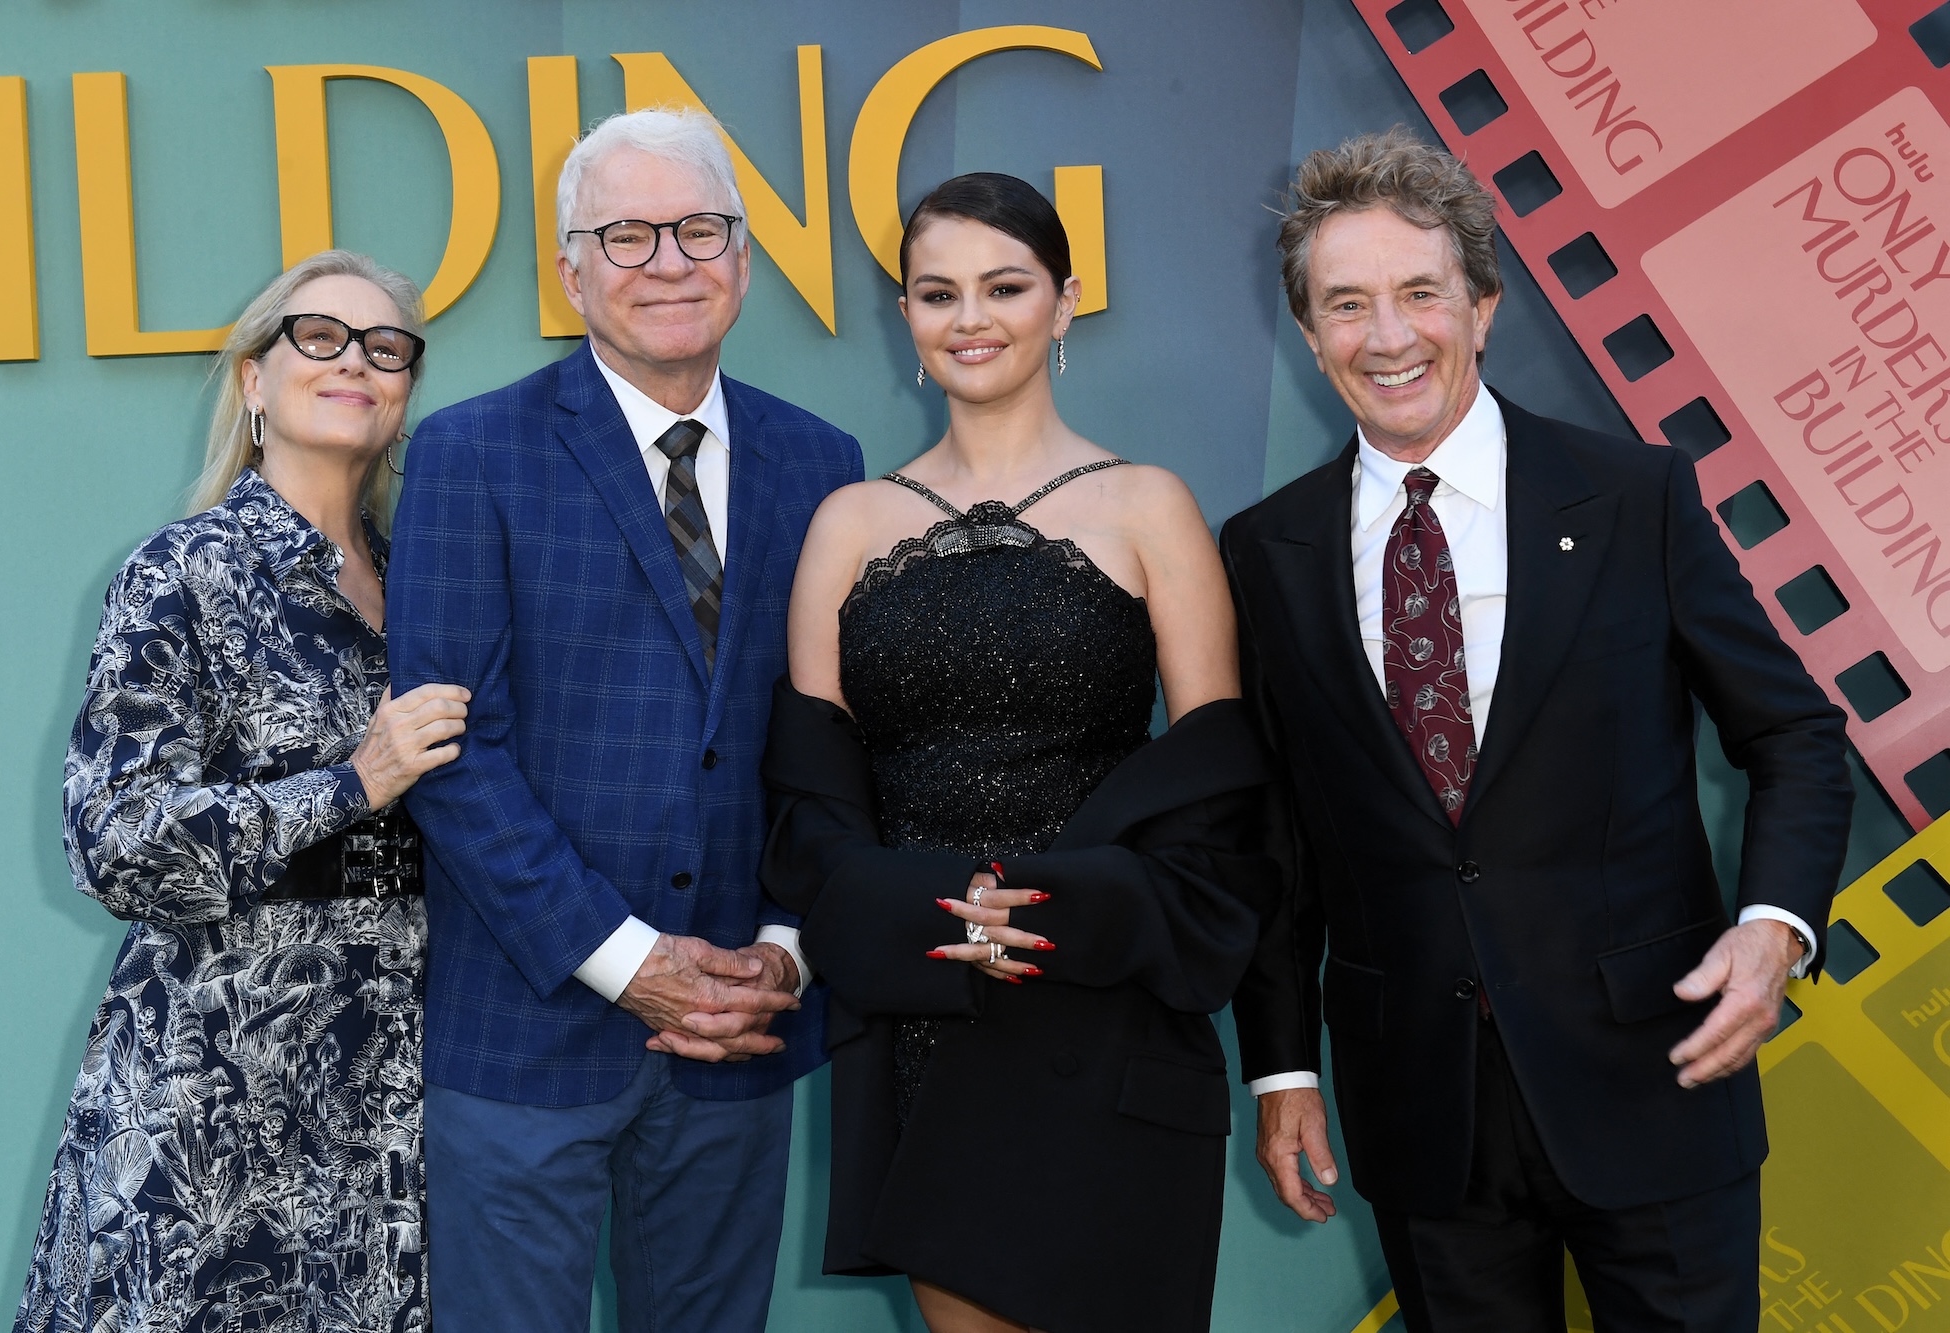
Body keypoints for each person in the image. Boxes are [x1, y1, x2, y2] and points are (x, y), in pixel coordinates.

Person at [1222, 127, 1856, 1332]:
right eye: (1346, 305)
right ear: (1309, 338)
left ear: (1483, 304)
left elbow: (1792, 736)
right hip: (1421, 1108)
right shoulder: (1264, 551)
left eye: (1419, 293)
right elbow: (1274, 839)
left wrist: (1773, 930)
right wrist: (1282, 1061)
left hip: (1657, 1079)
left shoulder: (1632, 496)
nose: (1389, 336)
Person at [764, 172, 1278, 1333]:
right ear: (904, 316)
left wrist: (1048, 909)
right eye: (936, 293)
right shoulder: (845, 522)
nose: (970, 318)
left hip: (1107, 997)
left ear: (1065, 300)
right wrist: (940, 914)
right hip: (926, 1011)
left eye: (1004, 286)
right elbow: (811, 807)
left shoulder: (1150, 506)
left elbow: (1216, 797)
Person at [384, 108, 862, 1333]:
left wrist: (786, 945)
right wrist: (629, 962)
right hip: (526, 1028)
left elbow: (834, 740)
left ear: (744, 259)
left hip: (738, 1029)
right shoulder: (469, 453)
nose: (667, 261)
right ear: (570, 270)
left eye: (698, 229)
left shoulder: (823, 464)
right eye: (626, 235)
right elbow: (449, 755)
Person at [14, 250, 465, 1333]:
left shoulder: (438, 582)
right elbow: (112, 840)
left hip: (399, 1086)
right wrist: (352, 781)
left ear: (404, 397)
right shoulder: (182, 573)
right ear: (254, 383)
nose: (354, 360)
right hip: (216, 1084)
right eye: (318, 336)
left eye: (385, 346)